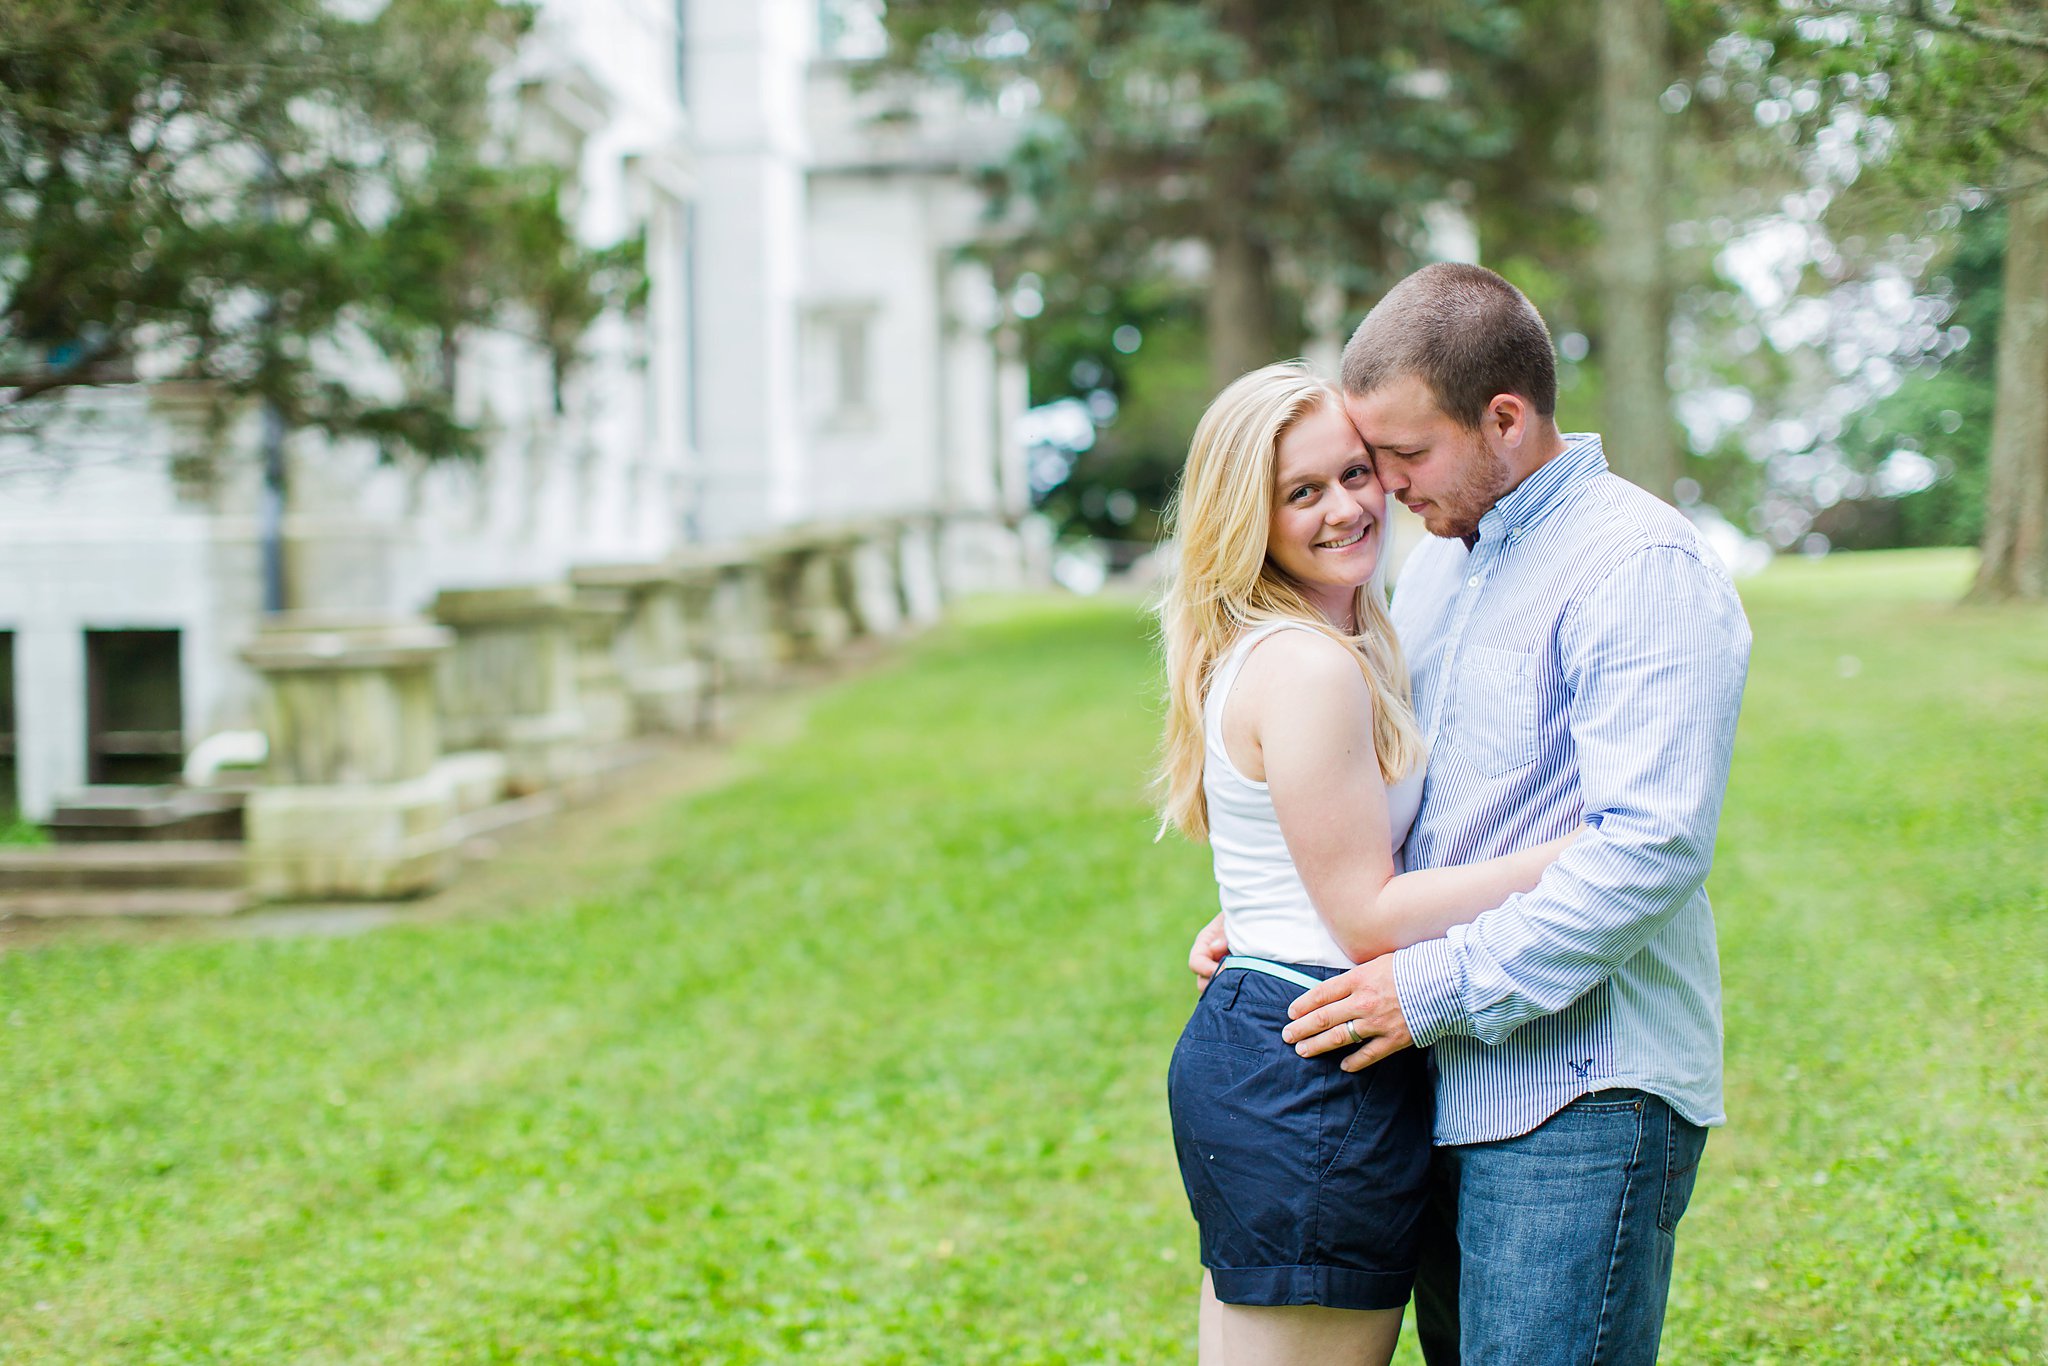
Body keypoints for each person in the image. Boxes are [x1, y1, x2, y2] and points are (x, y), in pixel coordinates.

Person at [1192, 262, 1752, 1364]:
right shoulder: (1442, 564)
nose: (1381, 491)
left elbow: (1650, 847)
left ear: (1502, 418)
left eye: (1398, 457)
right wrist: (1275, 927)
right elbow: (1420, 798)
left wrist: (1431, 984)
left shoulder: (1635, 565)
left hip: (1578, 1089)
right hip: (1441, 1073)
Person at [1157, 361, 1585, 1366]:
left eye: (1354, 472)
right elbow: (1362, 912)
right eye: (1300, 491)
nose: (1345, 506)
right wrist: (1568, 858)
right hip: (1314, 1067)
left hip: (1290, 1038)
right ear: (1243, 516)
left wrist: (1255, 925)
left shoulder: (1325, 641)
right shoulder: (1305, 665)